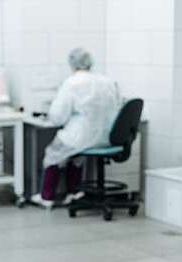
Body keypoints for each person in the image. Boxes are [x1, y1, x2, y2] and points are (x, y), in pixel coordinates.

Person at [30, 48, 123, 209]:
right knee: (76, 156)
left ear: (72, 64)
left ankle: (47, 196)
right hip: (106, 137)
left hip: (82, 136)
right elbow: (117, 105)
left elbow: (58, 115)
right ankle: (74, 192)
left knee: (54, 153)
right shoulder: (106, 81)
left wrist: (48, 116)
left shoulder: (72, 82)